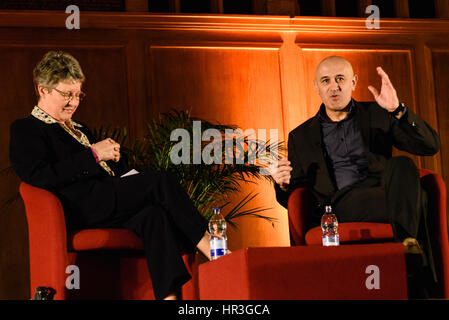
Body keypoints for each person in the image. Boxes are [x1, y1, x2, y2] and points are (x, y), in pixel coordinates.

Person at [9, 51, 212, 300]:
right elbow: (38, 175)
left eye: (77, 95)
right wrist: (93, 155)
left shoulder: (80, 128)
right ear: (43, 90)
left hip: (109, 200)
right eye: (66, 94)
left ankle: (168, 298)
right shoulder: (27, 128)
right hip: (80, 206)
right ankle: (214, 250)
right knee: (161, 181)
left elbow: (114, 171)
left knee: (154, 216)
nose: (73, 102)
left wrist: (120, 164)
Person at [271, 56, 440, 297]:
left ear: (353, 82)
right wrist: (282, 184)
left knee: (403, 164)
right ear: (316, 86)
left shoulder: (378, 114)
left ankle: (405, 247)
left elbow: (430, 146)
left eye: (340, 79)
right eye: (326, 80)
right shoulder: (300, 136)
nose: (334, 86)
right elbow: (295, 194)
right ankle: (411, 261)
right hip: (341, 204)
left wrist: (398, 110)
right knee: (418, 199)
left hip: (385, 192)